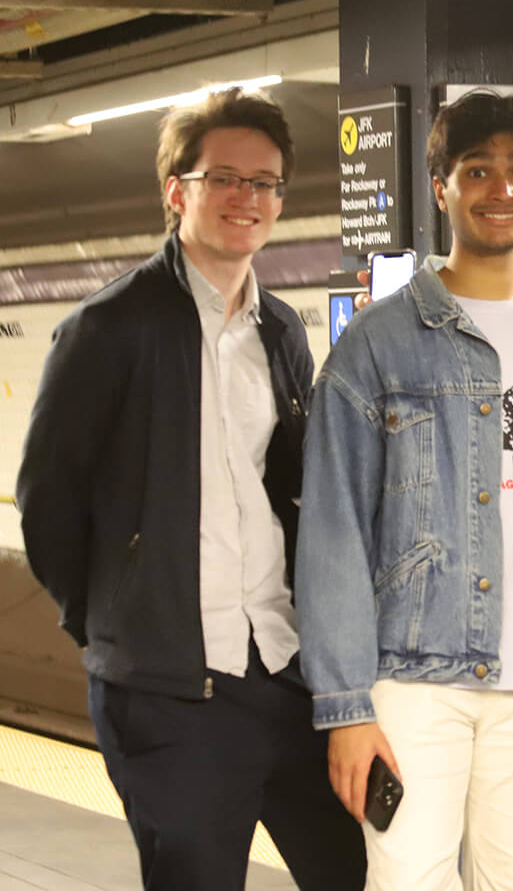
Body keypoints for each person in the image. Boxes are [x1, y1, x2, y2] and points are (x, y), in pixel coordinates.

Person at [16, 87, 365, 889]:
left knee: (359, 872)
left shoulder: (281, 331)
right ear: (178, 191)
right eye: (225, 179)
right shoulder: (108, 329)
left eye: (266, 183)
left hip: (284, 672)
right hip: (170, 693)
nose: (247, 198)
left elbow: (289, 489)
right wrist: (119, 626)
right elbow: (48, 501)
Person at [295, 91, 513, 891]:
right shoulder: (377, 343)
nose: (501, 188)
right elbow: (333, 529)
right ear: (440, 187)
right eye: (477, 170)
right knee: (407, 882)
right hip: (412, 681)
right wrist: (346, 708)